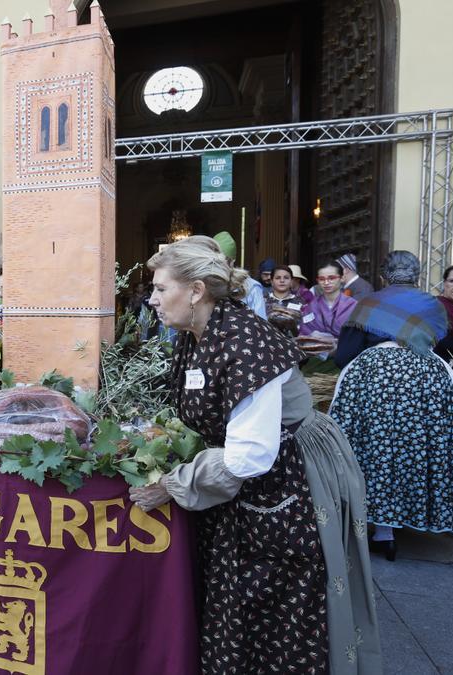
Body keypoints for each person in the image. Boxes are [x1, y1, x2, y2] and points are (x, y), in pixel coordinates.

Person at [130, 235, 380, 674]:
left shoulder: (245, 341)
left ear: (195, 290)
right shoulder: (196, 332)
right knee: (237, 600)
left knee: (277, 608)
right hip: (250, 481)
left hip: (289, 482)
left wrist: (173, 484)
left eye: (160, 288)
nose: (152, 299)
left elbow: (249, 457)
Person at [328, 250, 453, 560]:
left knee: (374, 449)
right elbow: (442, 340)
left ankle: (379, 529)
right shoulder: (432, 304)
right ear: (418, 275)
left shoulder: (368, 303)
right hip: (429, 377)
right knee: (414, 448)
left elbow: (345, 354)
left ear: (383, 275)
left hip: (375, 375)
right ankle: (403, 520)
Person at [298, 262, 358, 362]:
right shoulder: (311, 306)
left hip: (345, 360)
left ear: (342, 278)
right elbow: (304, 335)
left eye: (331, 278)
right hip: (315, 361)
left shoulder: (353, 305)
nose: (326, 282)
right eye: (322, 279)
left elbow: (356, 338)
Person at [212, 231, 266, 319]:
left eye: (222, 262)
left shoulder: (251, 287)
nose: (218, 267)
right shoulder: (204, 284)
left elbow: (261, 322)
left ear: (232, 262)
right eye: (214, 262)